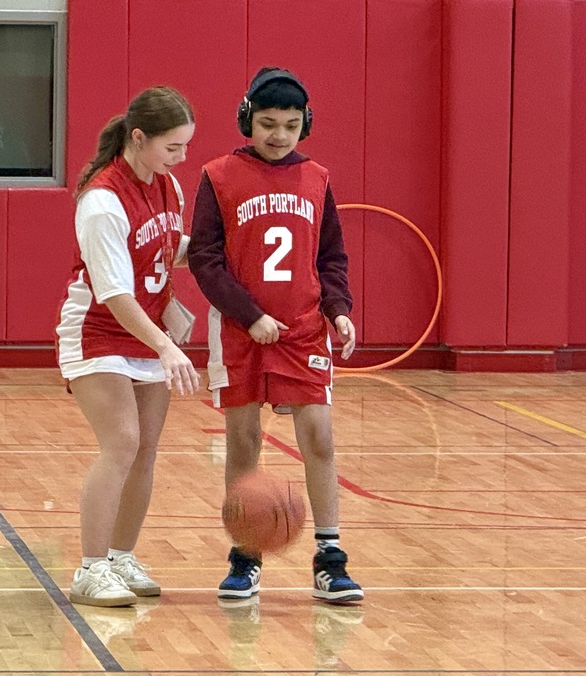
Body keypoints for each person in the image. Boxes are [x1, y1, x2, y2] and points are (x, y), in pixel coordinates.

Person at [188, 67, 363, 605]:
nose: (279, 135)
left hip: (304, 330)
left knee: (320, 439)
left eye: (290, 125)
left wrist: (338, 310)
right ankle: (245, 557)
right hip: (240, 332)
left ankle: (330, 559)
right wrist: (248, 315)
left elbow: (331, 257)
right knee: (243, 442)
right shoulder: (218, 176)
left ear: (305, 123)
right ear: (247, 119)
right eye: (267, 123)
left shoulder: (317, 178)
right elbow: (205, 259)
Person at [56, 86, 200, 608]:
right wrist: (167, 347)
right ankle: (90, 569)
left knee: (145, 451)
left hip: (147, 331)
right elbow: (115, 293)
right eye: (172, 147)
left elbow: (167, 247)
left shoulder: (167, 186)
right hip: (98, 331)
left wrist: (221, 251)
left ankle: (120, 556)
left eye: (185, 147)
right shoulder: (102, 201)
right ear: (138, 138)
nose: (181, 157)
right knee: (121, 442)